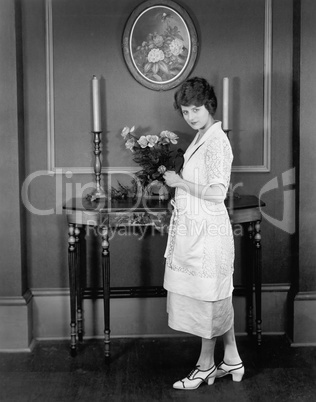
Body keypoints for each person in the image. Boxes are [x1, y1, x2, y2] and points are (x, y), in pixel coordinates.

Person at [163, 77, 244, 390]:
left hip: (209, 232)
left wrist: (180, 183)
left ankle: (205, 366)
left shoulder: (216, 141)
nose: (191, 116)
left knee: (210, 299)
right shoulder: (201, 137)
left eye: (196, 109)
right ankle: (233, 359)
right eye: (185, 111)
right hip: (195, 229)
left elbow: (216, 193)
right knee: (216, 296)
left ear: (209, 106)